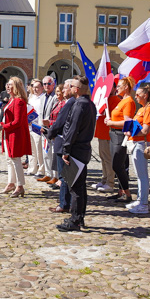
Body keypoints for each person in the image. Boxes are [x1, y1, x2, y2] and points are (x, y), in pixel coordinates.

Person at [57, 77, 96, 231]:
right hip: (83, 149)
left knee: (75, 188)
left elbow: (72, 130)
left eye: (71, 86)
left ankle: (75, 220)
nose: (70, 88)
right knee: (80, 187)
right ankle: (79, 217)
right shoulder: (89, 104)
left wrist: (66, 151)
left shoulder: (80, 105)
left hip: (76, 151)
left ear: (77, 89)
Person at [0, 76, 31, 197]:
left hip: (16, 135)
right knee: (9, 160)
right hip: (8, 134)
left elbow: (18, 122)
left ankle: (20, 185)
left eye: (10, 85)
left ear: (16, 87)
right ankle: (11, 183)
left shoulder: (19, 101)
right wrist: (1, 124)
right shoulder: (11, 100)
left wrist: (3, 126)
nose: (7, 86)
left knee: (16, 160)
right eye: (7, 84)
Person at [125, 85, 150, 214]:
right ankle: (140, 199)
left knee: (142, 175)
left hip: (141, 144)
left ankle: (143, 203)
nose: (136, 96)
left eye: (138, 95)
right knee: (139, 175)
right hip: (136, 143)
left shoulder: (149, 109)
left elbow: (145, 130)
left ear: (145, 95)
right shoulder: (142, 109)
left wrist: (131, 133)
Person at [45, 80, 76, 213]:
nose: (63, 91)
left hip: (62, 140)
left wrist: (49, 133)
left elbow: (60, 123)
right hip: (61, 140)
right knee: (64, 175)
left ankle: (64, 204)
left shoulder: (70, 103)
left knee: (64, 176)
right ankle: (65, 202)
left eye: (65, 89)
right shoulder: (72, 102)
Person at [105, 77, 137, 203]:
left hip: (120, 135)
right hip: (114, 134)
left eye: (119, 86)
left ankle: (128, 194)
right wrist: (110, 122)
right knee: (120, 165)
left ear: (126, 87)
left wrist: (111, 122)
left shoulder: (128, 101)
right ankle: (121, 192)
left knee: (117, 165)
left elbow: (128, 121)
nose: (116, 88)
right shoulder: (121, 101)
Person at [92, 86, 120, 193]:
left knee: (108, 159)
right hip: (101, 132)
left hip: (108, 133)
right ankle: (104, 179)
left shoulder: (116, 100)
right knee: (103, 158)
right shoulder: (104, 100)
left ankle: (110, 182)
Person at [37, 76, 59, 184]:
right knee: (46, 152)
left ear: (53, 84)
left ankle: (55, 175)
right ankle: (48, 173)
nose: (46, 86)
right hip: (43, 128)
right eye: (44, 84)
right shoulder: (42, 97)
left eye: (48, 84)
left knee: (53, 152)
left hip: (52, 128)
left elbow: (54, 113)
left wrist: (49, 123)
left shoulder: (55, 97)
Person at [26, 79, 45, 178]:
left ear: (42, 88)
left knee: (39, 149)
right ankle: (32, 168)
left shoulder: (43, 98)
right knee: (31, 149)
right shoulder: (31, 98)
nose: (35, 89)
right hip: (29, 125)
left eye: (37, 87)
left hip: (38, 126)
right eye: (34, 87)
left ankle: (41, 169)